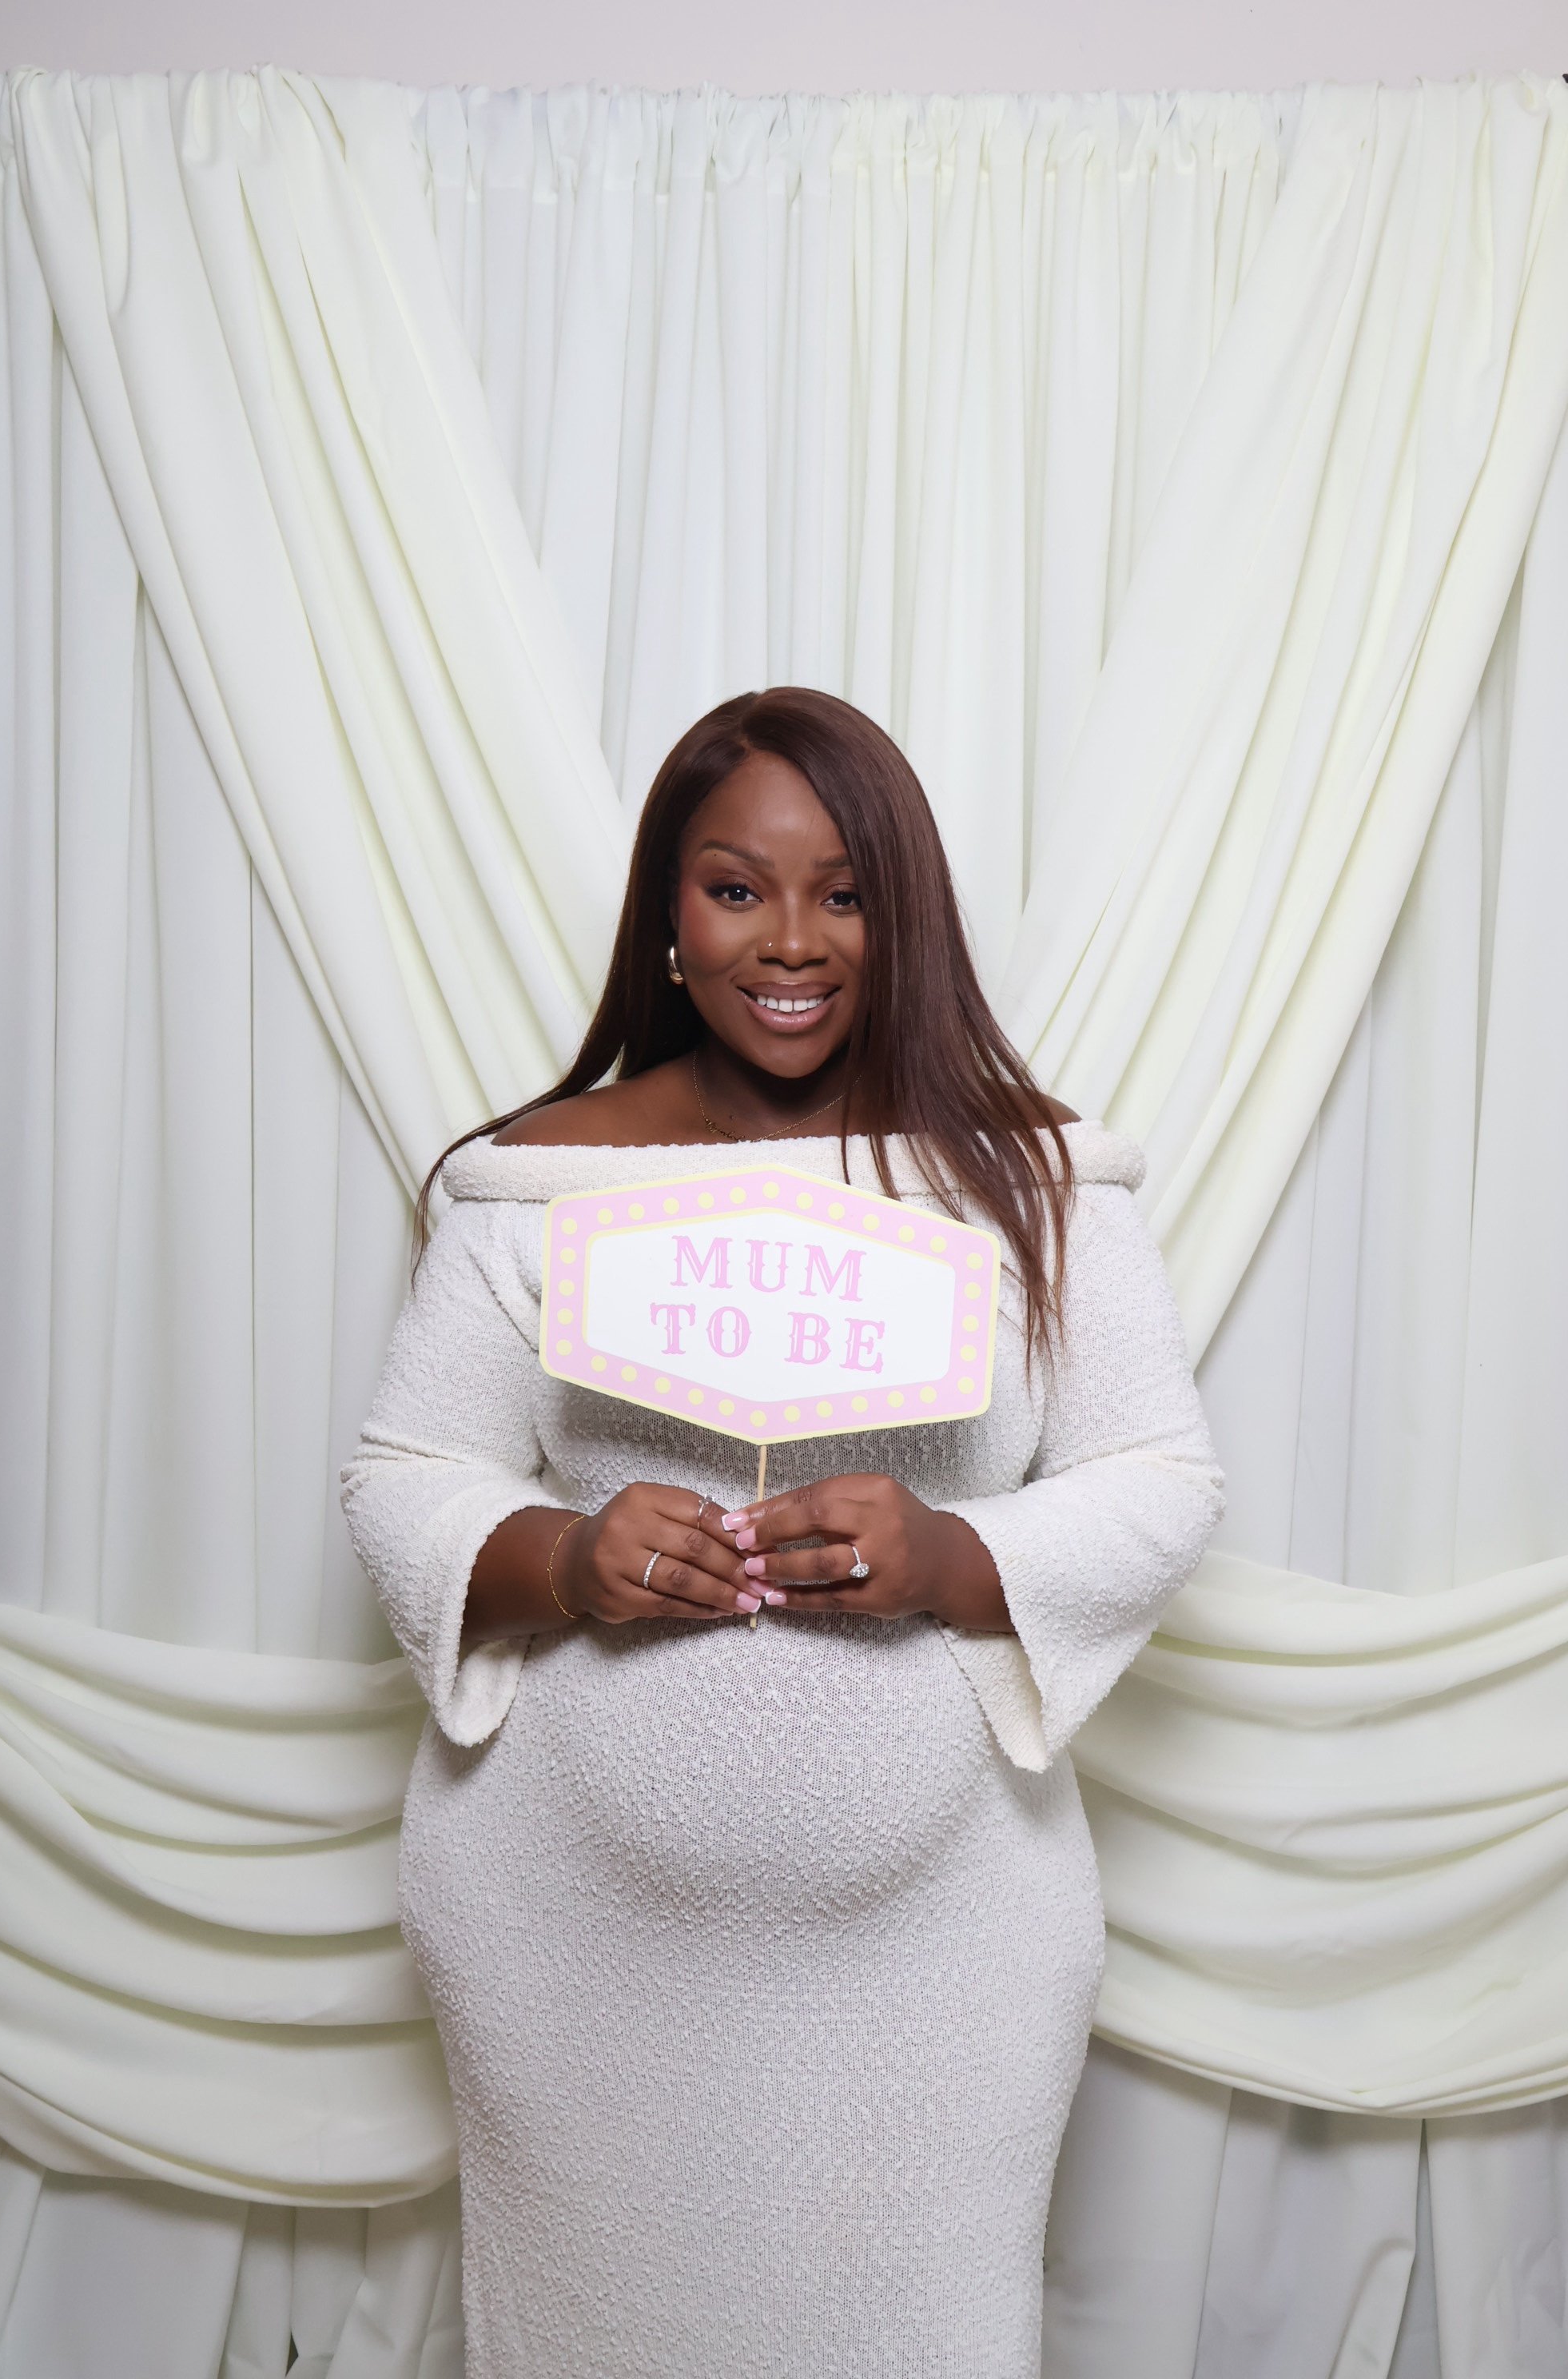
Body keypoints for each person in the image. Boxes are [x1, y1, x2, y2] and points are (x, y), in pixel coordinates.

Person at [341, 687, 1223, 2378]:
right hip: (571, 1947)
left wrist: (956, 1557)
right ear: (667, 919)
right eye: (736, 888)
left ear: (908, 918)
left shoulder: (1032, 1182)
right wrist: (561, 1558)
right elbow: (404, 1472)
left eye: (845, 892)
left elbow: (1158, 1477)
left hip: (945, 1953)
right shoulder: (542, 1182)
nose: (791, 940)